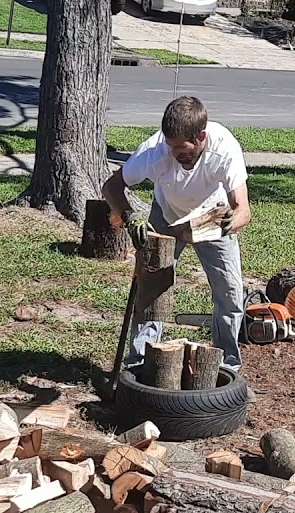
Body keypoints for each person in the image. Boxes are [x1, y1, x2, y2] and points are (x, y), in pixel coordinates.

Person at [101, 96, 251, 371]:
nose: (174, 154)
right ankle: (139, 362)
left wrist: (222, 225)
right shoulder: (155, 151)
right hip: (166, 214)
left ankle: (228, 365)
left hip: (212, 216)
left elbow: (243, 211)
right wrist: (129, 215)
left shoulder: (225, 149)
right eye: (170, 147)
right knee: (152, 289)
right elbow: (111, 188)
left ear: (201, 136)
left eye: (181, 148)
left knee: (230, 293)